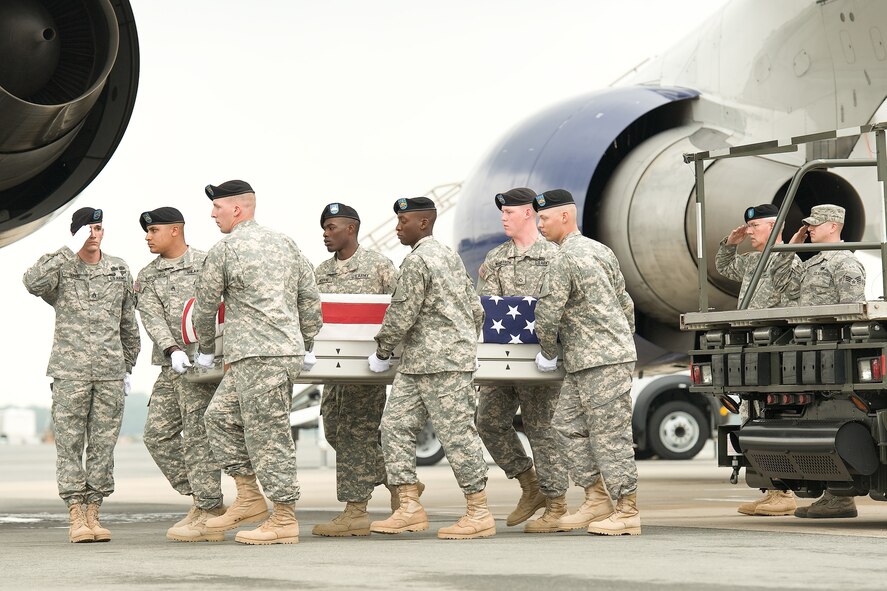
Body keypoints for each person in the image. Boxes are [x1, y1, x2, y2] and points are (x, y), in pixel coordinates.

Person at [192, 180, 323, 545]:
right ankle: (249, 496)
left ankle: (283, 517)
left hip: (258, 355)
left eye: (217, 207)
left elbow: (205, 304)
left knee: (269, 435)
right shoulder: (286, 244)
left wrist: (205, 349)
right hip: (273, 354)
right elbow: (310, 300)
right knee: (217, 418)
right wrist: (306, 342)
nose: (212, 214)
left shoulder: (226, 249)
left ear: (238, 209)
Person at [367, 196, 494, 540]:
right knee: (394, 427)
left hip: (442, 366)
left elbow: (402, 314)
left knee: (456, 436)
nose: (397, 227)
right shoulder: (450, 258)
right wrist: (464, 341)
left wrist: (382, 350)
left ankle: (479, 512)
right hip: (421, 365)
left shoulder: (418, 261)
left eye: (403, 221)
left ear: (423, 223)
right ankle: (408, 507)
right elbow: (476, 309)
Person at [22, 207, 140, 543]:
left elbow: (128, 321)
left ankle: (94, 512)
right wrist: (65, 249)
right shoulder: (61, 269)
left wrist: (127, 365)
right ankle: (76, 513)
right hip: (70, 372)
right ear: (75, 233)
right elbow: (32, 282)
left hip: (109, 373)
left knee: (103, 445)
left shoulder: (118, 268)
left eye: (98, 227)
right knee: (70, 445)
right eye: (87, 228)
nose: (94, 233)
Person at [532, 189, 641, 536]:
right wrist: (621, 340)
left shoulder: (564, 258)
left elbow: (547, 313)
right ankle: (596, 497)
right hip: (592, 360)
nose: (539, 225)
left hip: (601, 361)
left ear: (565, 216)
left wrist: (548, 351)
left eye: (544, 218)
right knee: (565, 426)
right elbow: (625, 303)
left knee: (610, 435)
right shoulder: (601, 250)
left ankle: (627, 510)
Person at [474, 187, 568, 533]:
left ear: (528, 213)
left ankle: (557, 504)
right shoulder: (496, 258)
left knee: (541, 428)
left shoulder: (556, 255)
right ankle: (530, 485)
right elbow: (488, 306)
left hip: (542, 357)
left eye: (509, 212)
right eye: (502, 213)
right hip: (503, 359)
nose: (503, 218)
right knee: (488, 421)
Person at [133, 207, 226, 542]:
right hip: (171, 365)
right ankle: (204, 498)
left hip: (205, 366)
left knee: (198, 435)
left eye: (153, 230)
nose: (147, 236)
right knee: (156, 435)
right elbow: (151, 317)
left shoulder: (207, 263)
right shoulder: (148, 275)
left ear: (175, 230)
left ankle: (208, 509)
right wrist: (171, 350)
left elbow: (223, 306)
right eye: (146, 231)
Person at [311, 203, 401, 537]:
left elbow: (401, 306)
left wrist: (388, 354)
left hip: (366, 368)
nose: (325, 233)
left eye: (332, 227)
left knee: (356, 433)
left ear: (352, 228)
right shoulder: (320, 272)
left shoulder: (379, 266)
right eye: (323, 228)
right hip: (332, 370)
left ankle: (355, 510)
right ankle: (399, 481)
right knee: (335, 430)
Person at [779, 204, 865, 519]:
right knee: (817, 421)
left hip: (830, 352)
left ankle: (841, 498)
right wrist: (792, 249)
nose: (810, 229)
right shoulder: (813, 261)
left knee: (835, 418)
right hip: (809, 350)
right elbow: (786, 291)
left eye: (815, 225)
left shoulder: (846, 263)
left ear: (833, 226)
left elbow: (852, 311)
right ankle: (836, 496)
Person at [715, 203, 799, 517]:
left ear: (774, 228)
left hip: (774, 349)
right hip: (753, 349)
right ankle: (773, 489)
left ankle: (784, 492)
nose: (749, 231)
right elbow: (723, 267)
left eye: (755, 227)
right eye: (748, 227)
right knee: (752, 420)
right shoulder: (752, 260)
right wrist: (731, 242)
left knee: (772, 419)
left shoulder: (786, 261)